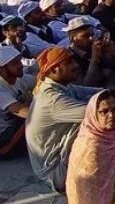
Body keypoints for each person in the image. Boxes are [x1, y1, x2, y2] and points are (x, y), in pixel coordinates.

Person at [26, 47, 100, 192]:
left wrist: (113, 94)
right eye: (69, 62)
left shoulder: (62, 87)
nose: (76, 65)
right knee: (102, 119)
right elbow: (98, 112)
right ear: (54, 69)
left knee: (106, 108)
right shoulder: (52, 99)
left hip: (60, 162)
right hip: (56, 172)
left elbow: (98, 92)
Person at [0, 45, 35, 159]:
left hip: (17, 130)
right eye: (15, 63)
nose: (20, 65)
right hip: (3, 143)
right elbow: (26, 113)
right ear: (2, 69)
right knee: (36, 118)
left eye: (19, 61)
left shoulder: (20, 80)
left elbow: (42, 82)